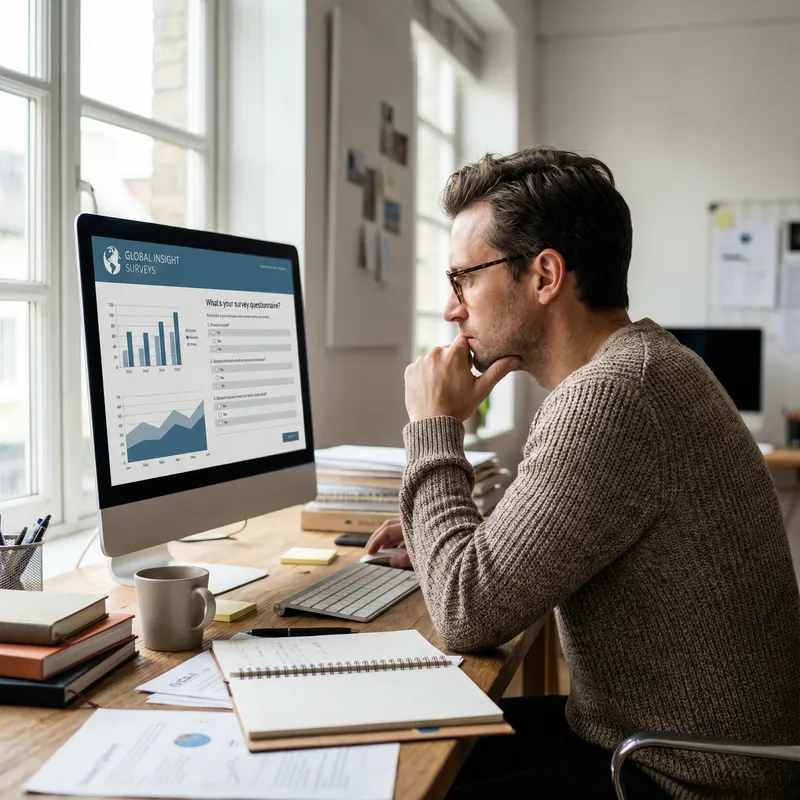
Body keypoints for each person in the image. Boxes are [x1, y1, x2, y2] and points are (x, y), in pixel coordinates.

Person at [366, 146, 800, 799]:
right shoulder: (643, 366)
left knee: (388, 778)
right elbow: (518, 557)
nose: (454, 308)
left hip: (685, 776)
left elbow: (465, 611)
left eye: (463, 279)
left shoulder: (612, 397)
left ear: (544, 276)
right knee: (399, 744)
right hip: (650, 742)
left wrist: (434, 425)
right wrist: (438, 543)